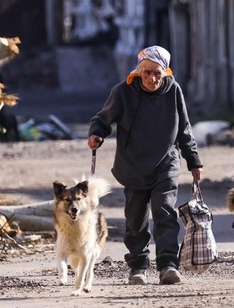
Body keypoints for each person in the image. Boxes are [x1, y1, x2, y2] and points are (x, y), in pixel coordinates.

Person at [87, 45, 203, 285]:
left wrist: (193, 160)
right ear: (138, 72)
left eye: (157, 73)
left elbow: (184, 129)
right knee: (135, 219)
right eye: (147, 73)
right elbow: (103, 119)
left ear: (165, 72)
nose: (152, 78)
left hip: (166, 163)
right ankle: (138, 266)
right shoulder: (123, 92)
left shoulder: (173, 91)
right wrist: (97, 134)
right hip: (133, 165)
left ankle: (168, 265)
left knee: (164, 212)